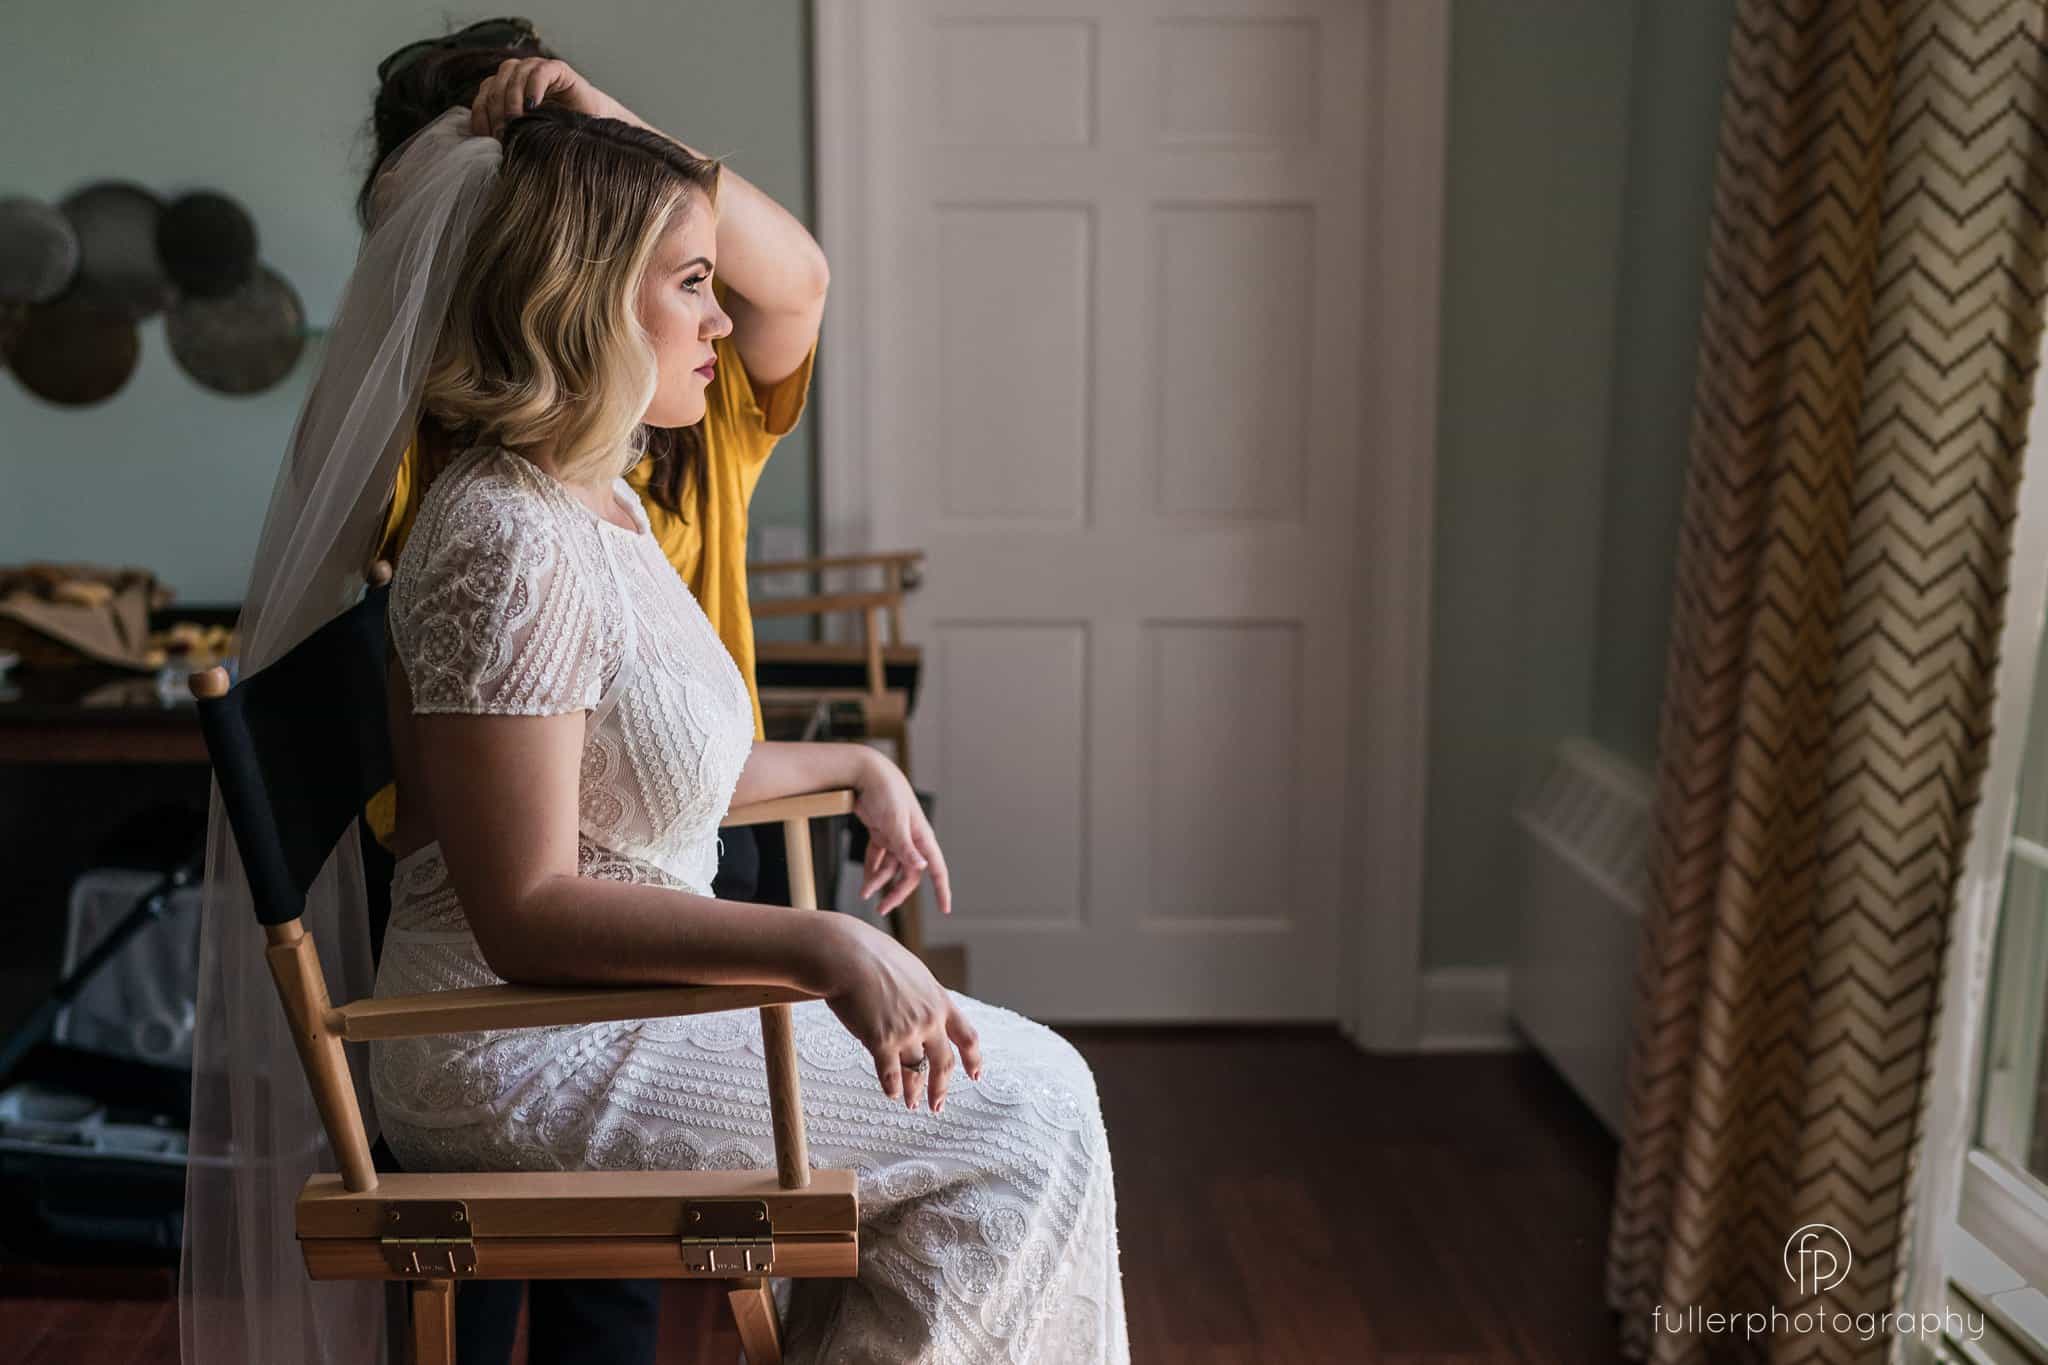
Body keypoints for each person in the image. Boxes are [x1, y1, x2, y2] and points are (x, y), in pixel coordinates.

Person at [181, 47, 1129, 1365]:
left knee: (1027, 1106)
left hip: (621, 1002)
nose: (725, 316)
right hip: (517, 1046)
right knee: (1026, 1118)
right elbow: (525, 913)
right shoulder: (502, 536)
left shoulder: (605, 499)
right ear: (584, 299)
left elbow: (647, 767)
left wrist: (855, 760)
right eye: (691, 284)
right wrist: (822, 945)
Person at [356, 31, 826, 1361]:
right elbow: (519, 897)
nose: (716, 309)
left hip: (666, 859)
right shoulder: (473, 484)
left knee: (606, 1288)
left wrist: (597, 123)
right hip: (490, 880)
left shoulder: (688, 424)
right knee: (466, 1256)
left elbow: (792, 281)